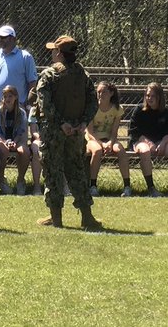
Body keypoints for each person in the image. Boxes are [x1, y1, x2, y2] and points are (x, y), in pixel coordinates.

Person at [34, 35, 101, 230]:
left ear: (59, 53)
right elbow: (93, 102)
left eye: (54, 50)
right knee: (77, 172)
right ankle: (87, 217)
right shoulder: (83, 75)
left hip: (55, 131)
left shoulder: (49, 74)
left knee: (53, 172)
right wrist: (82, 123)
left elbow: (44, 103)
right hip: (76, 132)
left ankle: (57, 219)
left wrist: (61, 123)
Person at [129, 82, 168, 197]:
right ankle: (151, 188)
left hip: (161, 141)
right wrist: (148, 142)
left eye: (153, 96)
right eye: (148, 95)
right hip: (140, 141)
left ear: (159, 97)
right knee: (145, 151)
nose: (149, 98)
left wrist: (162, 143)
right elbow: (134, 131)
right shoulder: (139, 110)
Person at [85, 81, 131, 197]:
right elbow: (90, 132)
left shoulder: (117, 109)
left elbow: (114, 131)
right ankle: (93, 186)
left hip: (109, 138)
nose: (100, 94)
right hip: (92, 139)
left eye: (104, 92)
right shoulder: (91, 107)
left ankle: (127, 187)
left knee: (121, 151)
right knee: (97, 151)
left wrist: (110, 143)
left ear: (111, 93)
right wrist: (102, 144)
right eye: (98, 92)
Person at [0, 85, 40, 195]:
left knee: (24, 151)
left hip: (16, 140)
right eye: (5, 96)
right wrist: (6, 142)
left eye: (10, 96)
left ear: (16, 97)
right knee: (4, 149)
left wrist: (14, 141)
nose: (7, 99)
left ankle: (20, 180)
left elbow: (21, 131)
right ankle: (0, 179)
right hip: (0, 139)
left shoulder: (21, 113)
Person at [0, 25, 38, 107]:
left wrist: (29, 105)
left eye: (3, 37)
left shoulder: (25, 57)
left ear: (13, 38)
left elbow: (32, 82)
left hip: (17, 107)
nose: (0, 40)